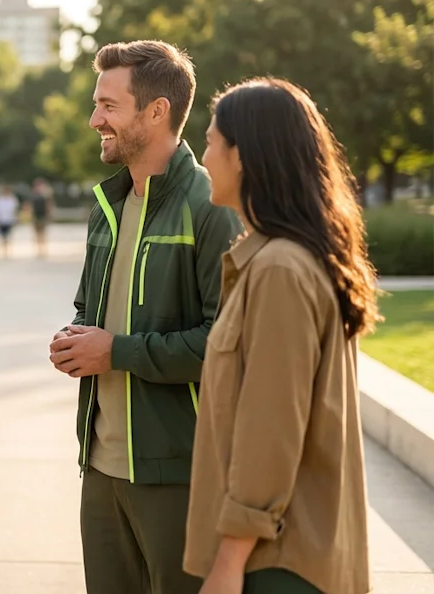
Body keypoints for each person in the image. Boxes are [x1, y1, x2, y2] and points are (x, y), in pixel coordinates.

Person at [46, 40, 243, 594]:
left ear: (156, 111)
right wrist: (77, 340)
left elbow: (224, 345)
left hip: (178, 473)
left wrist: (116, 351)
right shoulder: (107, 204)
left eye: (108, 106)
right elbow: (92, 310)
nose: (94, 120)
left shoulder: (211, 207)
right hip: (101, 469)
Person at [183, 77, 376, 594]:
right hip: (279, 555)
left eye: (209, 142)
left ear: (242, 156)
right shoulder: (278, 260)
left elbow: (271, 427)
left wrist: (229, 560)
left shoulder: (280, 270)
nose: (203, 159)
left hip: (275, 563)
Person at [0, 184, 20, 257]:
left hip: (9, 219)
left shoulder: (12, 199)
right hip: (1, 219)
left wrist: (16, 218)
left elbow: (15, 209)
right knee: (2, 236)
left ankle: (7, 251)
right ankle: (3, 251)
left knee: (8, 236)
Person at [29, 178, 54, 258]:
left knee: (43, 233)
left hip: (42, 216)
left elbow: (48, 205)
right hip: (36, 216)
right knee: (37, 233)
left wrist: (49, 214)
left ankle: (43, 249)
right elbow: (31, 206)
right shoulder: (33, 195)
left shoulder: (45, 195)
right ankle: (39, 249)